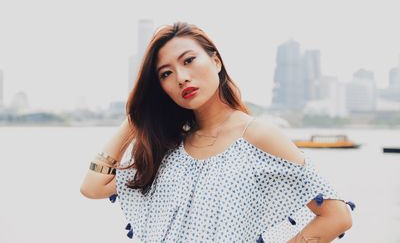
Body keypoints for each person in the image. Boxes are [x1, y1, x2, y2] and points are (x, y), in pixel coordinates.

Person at [80, 22, 355, 242]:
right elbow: (92, 187)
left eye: (188, 60)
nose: (181, 77)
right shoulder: (170, 147)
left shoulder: (257, 136)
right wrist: (135, 119)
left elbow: (336, 215)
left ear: (216, 61)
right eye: (165, 74)